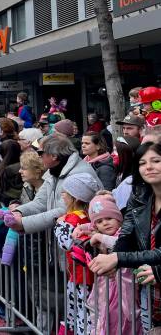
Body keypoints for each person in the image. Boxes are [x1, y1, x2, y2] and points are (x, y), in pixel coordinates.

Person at [90, 143, 161, 334]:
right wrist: (115, 261)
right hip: (151, 294)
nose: (149, 167)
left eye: (156, 161)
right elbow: (127, 233)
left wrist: (117, 259)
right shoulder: (140, 195)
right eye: (142, 162)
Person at [80, 194, 138, 335]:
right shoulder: (100, 232)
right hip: (108, 287)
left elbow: (119, 244)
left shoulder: (124, 234)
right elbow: (89, 225)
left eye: (109, 218)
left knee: (124, 320)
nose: (105, 223)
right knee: (107, 317)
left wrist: (100, 237)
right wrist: (80, 228)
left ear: (118, 218)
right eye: (100, 221)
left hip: (125, 288)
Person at [53, 173, 97, 334]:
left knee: (81, 313)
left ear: (75, 197)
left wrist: (58, 225)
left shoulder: (72, 218)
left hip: (81, 276)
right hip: (83, 274)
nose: (62, 195)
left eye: (65, 192)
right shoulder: (88, 216)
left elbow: (66, 243)